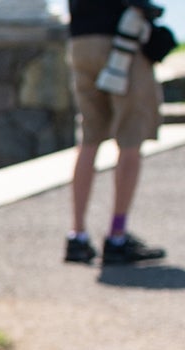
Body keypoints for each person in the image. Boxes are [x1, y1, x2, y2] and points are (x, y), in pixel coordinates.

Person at [65, 0, 167, 264]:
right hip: (121, 40)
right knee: (130, 140)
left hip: (81, 41)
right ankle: (117, 236)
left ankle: (77, 236)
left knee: (88, 140)